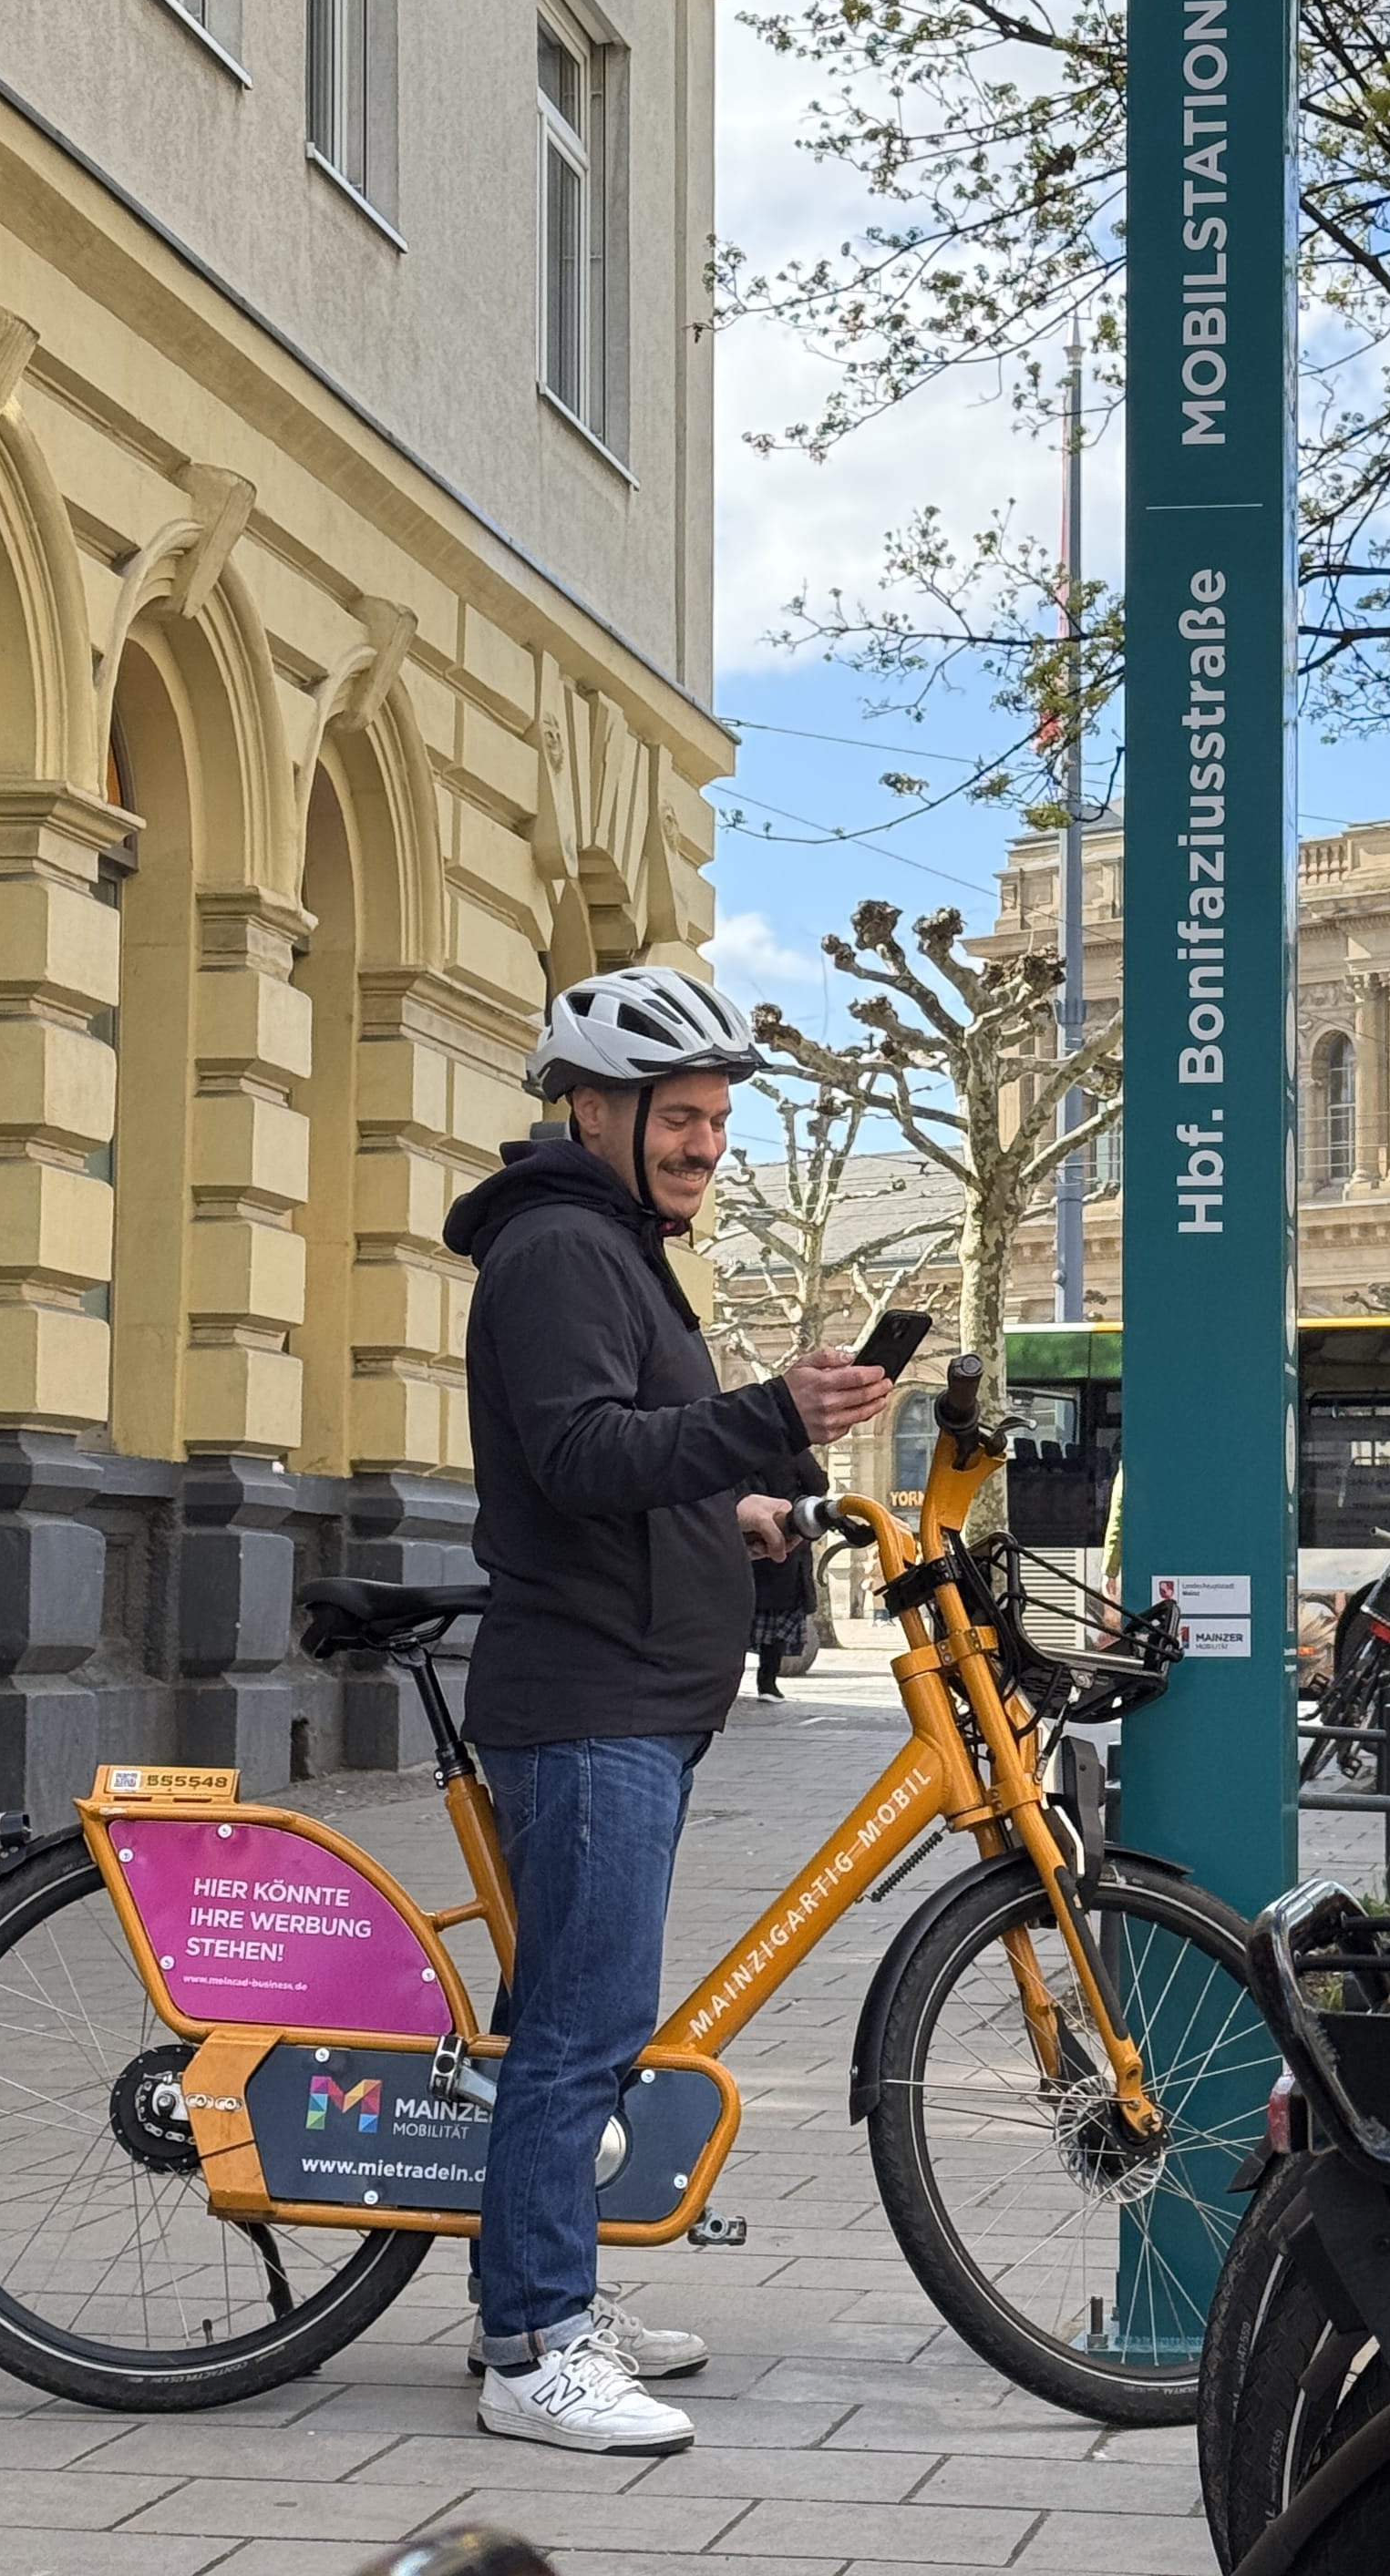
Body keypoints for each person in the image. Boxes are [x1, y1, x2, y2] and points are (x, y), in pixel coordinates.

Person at [441, 965, 892, 2455]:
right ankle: (534, 2345)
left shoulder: (611, 1247)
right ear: (594, 1107)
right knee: (584, 2024)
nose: (704, 1143)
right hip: (588, 1703)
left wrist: (741, 1508)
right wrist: (771, 1411)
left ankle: (542, 2292)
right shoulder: (565, 1249)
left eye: (713, 1118)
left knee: (569, 2019)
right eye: (679, 1115)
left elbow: (628, 1461)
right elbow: (577, 1455)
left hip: (623, 1692)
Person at [746, 1447, 827, 1699]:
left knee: (740, 1616)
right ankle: (767, 1683)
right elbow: (818, 1482)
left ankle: (728, 1683)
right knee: (777, 1622)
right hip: (785, 1539)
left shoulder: (741, 1442)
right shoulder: (791, 1449)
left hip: (744, 1537)